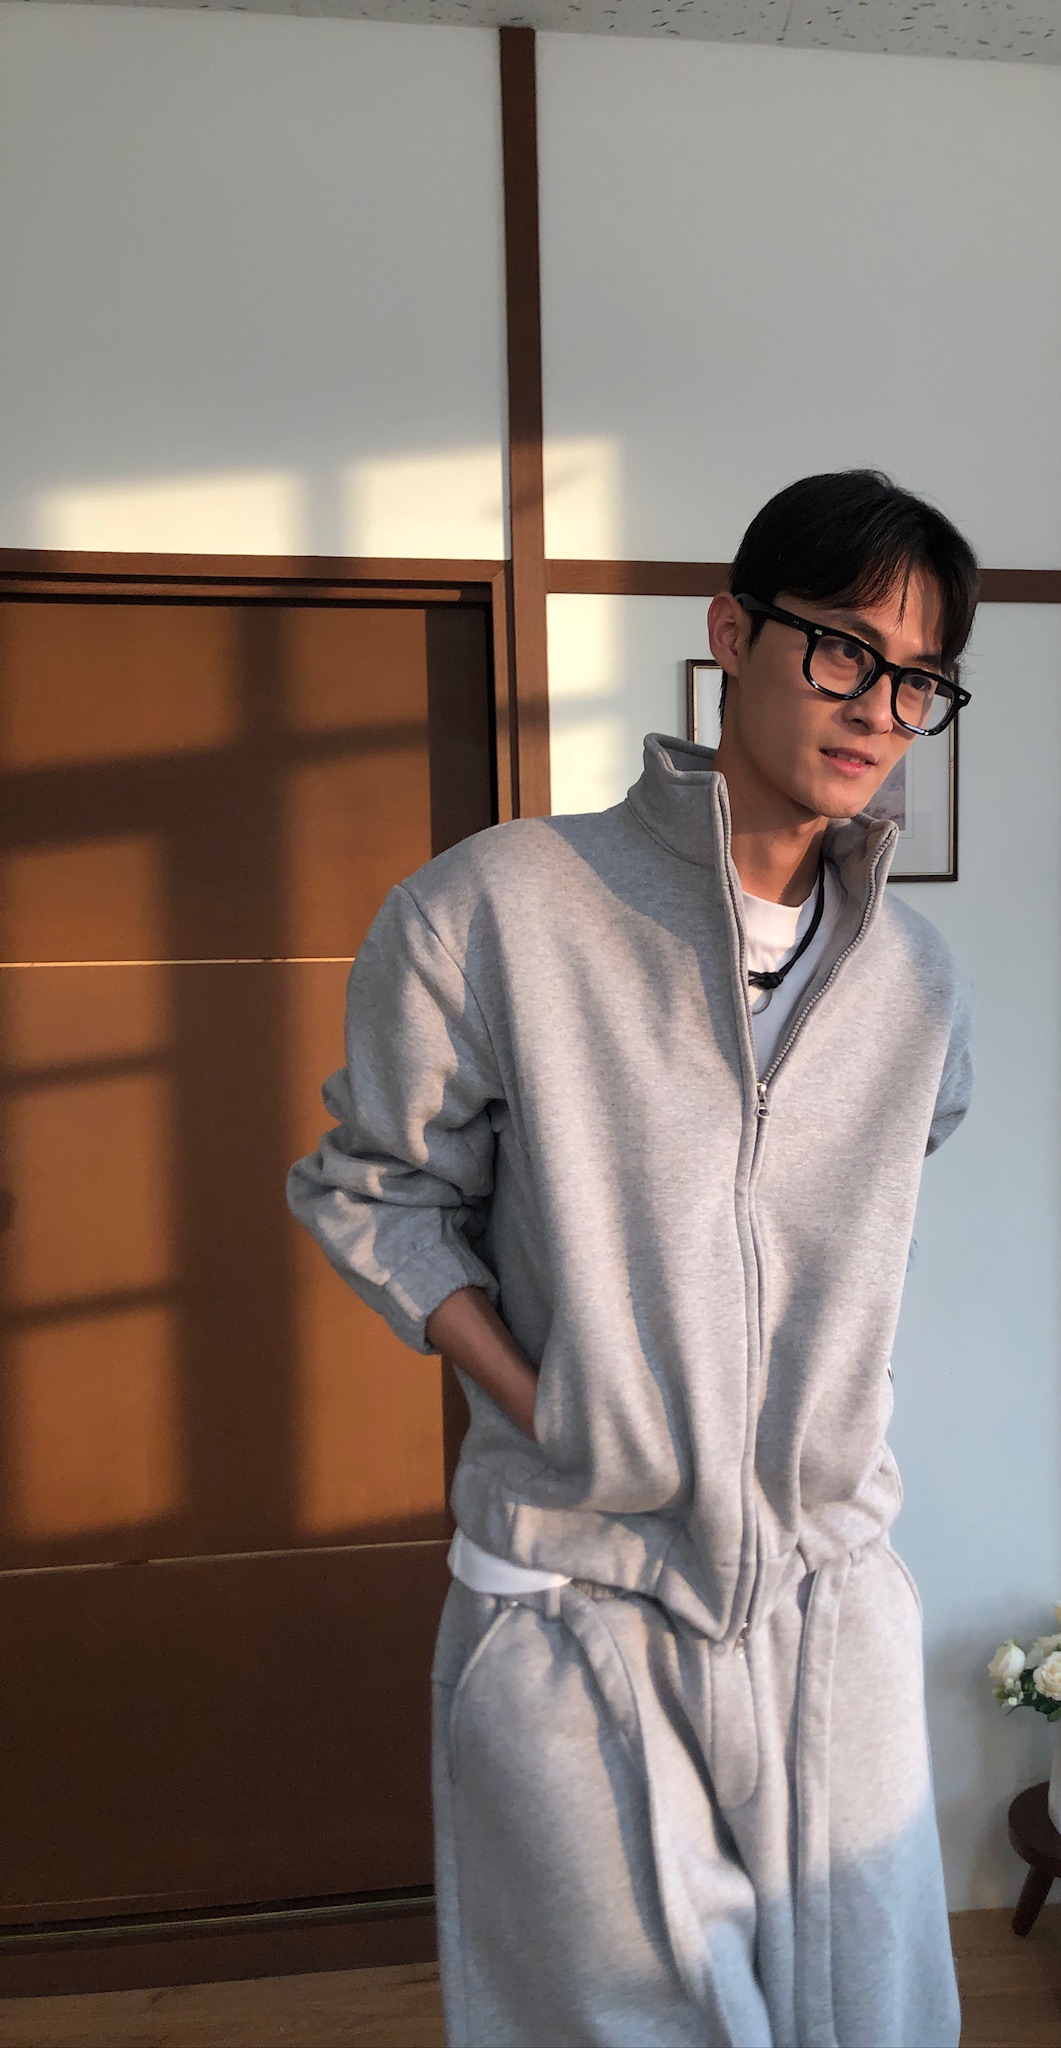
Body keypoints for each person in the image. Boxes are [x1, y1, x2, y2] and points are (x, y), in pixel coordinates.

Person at [287, 468, 978, 2048]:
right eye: (843, 647)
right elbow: (375, 1194)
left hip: (825, 1598)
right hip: (572, 1589)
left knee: (872, 2023)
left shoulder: (918, 986)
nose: (877, 708)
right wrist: (558, 1407)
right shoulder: (498, 911)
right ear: (730, 633)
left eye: (919, 679)